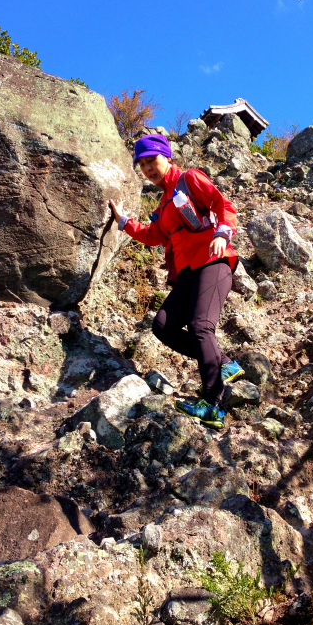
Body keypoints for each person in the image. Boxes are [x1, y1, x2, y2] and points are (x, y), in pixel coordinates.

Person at [109, 133, 244, 430]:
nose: (148, 169)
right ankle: (223, 363)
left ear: (166, 157)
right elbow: (153, 236)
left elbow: (224, 206)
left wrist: (222, 233)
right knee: (163, 326)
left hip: (213, 262)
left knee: (200, 327)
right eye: (142, 165)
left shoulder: (190, 178)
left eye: (152, 161)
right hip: (187, 274)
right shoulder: (164, 202)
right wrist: (122, 222)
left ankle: (213, 403)